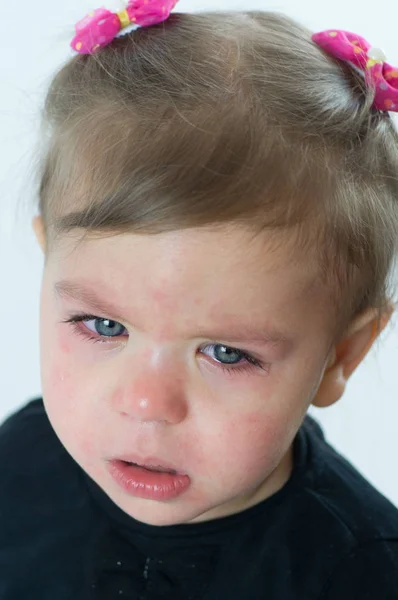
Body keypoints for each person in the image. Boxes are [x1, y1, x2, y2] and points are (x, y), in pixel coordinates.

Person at [1, 3, 398, 598]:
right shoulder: (22, 459)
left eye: (225, 353)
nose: (145, 403)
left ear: (341, 353)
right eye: (104, 325)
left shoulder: (361, 572)